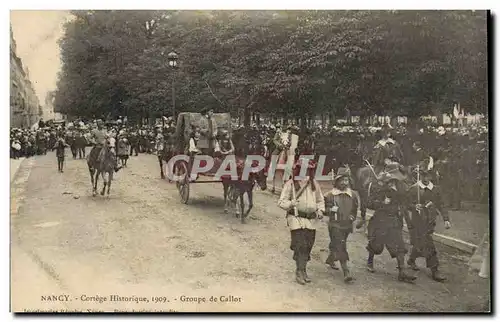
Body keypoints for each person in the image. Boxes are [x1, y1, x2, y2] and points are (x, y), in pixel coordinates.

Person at [278, 159, 325, 285]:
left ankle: (303, 269)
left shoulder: (314, 183)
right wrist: (291, 203)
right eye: (303, 169)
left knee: (308, 246)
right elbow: (281, 202)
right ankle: (299, 271)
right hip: (296, 219)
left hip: (311, 220)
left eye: (308, 169)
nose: (306, 172)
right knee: (300, 246)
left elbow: (320, 200)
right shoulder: (291, 184)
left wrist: (320, 210)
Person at [365, 171, 416, 283]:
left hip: (394, 223)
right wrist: (382, 202)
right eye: (389, 182)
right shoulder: (378, 191)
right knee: (376, 245)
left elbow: (404, 205)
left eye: (393, 182)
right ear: (385, 182)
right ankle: (370, 261)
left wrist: (407, 217)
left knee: (399, 247)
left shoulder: (399, 192)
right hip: (380, 222)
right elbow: (369, 203)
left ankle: (402, 271)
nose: (391, 184)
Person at [406, 169, 451, 282]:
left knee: (421, 242)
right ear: (420, 175)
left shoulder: (436, 189)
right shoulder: (414, 189)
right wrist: (413, 206)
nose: (425, 179)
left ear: (431, 176)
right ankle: (435, 269)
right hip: (417, 221)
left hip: (430, 220)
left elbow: (441, 205)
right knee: (427, 242)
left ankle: (411, 259)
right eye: (423, 176)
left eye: (428, 176)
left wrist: (446, 219)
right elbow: (406, 203)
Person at [323, 167, 359, 282]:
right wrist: (330, 210)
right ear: (337, 181)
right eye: (342, 180)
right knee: (341, 245)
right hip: (335, 225)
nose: (344, 183)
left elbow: (354, 209)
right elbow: (324, 209)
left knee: (337, 243)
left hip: (347, 225)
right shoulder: (330, 195)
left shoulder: (352, 195)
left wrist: (352, 217)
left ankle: (331, 258)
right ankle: (346, 271)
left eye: (346, 180)